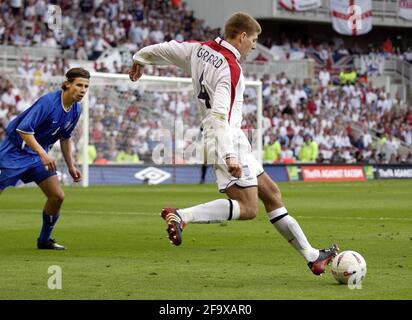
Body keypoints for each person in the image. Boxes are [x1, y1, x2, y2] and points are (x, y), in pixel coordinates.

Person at [129, 12, 338, 276]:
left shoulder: (200, 49)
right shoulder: (231, 68)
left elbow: (167, 48)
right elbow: (220, 116)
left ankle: (312, 256)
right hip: (225, 138)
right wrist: (229, 154)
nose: (253, 45)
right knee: (249, 208)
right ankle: (182, 216)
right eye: (253, 39)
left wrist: (140, 58)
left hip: (227, 137)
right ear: (241, 36)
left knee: (272, 193)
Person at [0, 68, 90, 250]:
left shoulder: (76, 109)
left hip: (37, 156)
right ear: (67, 84)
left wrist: (71, 166)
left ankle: (44, 240)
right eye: (79, 85)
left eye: (86, 86)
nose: (83, 90)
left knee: (57, 196)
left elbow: (65, 138)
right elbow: (23, 130)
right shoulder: (48, 102)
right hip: (14, 152)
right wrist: (43, 153)